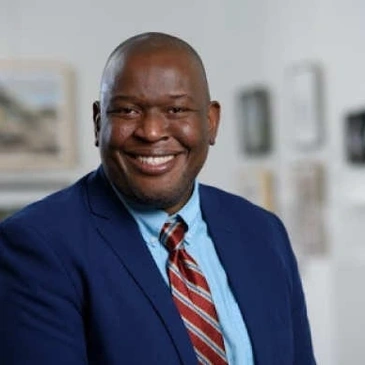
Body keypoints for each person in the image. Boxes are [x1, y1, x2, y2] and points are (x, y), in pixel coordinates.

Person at [0, 32, 316, 365]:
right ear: (98, 123)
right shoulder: (36, 246)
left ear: (211, 122)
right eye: (128, 110)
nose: (151, 132)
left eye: (176, 109)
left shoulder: (262, 231)